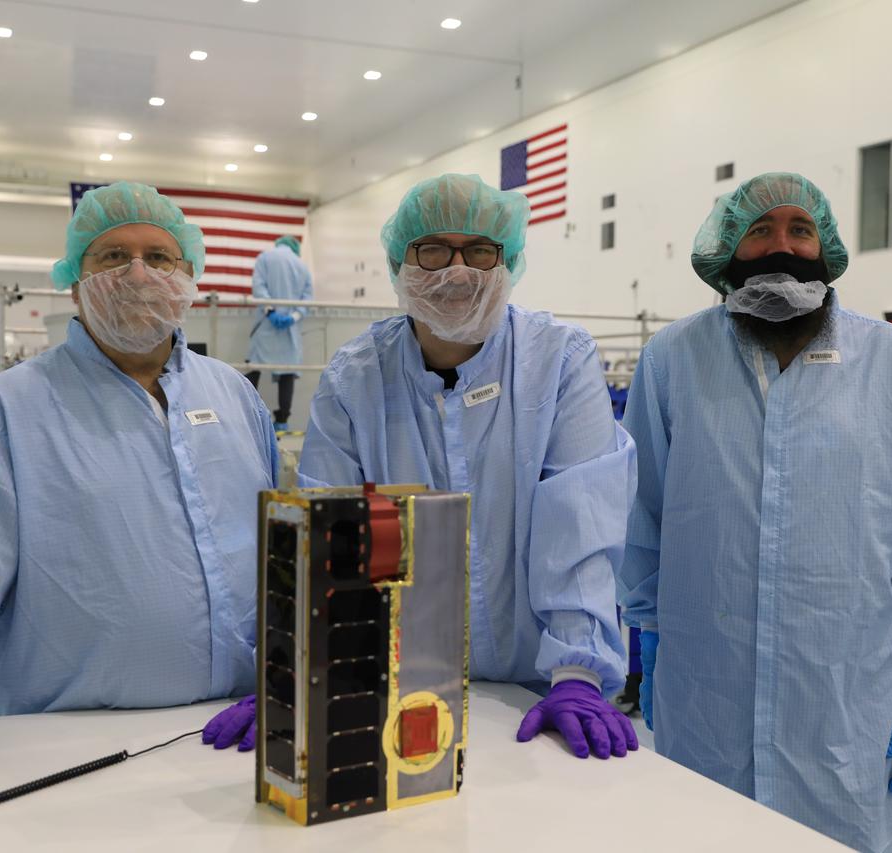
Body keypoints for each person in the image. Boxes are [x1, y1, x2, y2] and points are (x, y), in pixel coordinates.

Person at [0, 182, 278, 837]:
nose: (139, 273)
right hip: (65, 745)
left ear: (190, 277)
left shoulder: (235, 398)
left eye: (160, 257)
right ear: (74, 280)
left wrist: (290, 678)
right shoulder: (9, 411)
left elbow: (284, 554)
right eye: (114, 255)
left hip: (237, 734)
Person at [207, 173, 638, 762]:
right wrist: (302, 672)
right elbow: (327, 537)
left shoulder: (560, 360)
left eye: (479, 250)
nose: (457, 271)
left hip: (538, 692)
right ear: (398, 262)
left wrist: (578, 675)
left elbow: (579, 525)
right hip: (393, 693)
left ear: (508, 260)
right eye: (432, 249)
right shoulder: (354, 378)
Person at [620, 172, 892, 853]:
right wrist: (648, 638)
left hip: (845, 706)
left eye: (800, 230)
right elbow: (643, 512)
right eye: (761, 230)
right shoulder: (672, 360)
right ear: (729, 249)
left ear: (826, 247)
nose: (782, 245)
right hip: (705, 695)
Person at [246, 235, 313, 430]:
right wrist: (293, 317)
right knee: (287, 371)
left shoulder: (264, 258)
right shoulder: (302, 266)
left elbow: (259, 288)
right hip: (289, 329)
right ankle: (283, 420)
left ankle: (246, 413)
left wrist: (271, 310)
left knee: (254, 367)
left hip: (267, 323)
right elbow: (307, 300)